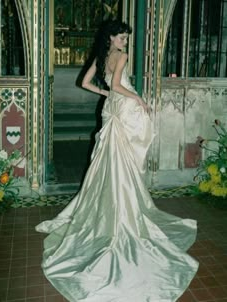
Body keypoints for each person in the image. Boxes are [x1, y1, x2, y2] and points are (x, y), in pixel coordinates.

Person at [36, 20, 198, 302]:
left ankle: (110, 205)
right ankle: (121, 212)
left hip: (111, 110)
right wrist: (136, 97)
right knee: (124, 156)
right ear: (112, 37)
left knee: (110, 159)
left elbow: (85, 82)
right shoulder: (120, 56)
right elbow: (118, 85)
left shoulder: (102, 56)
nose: (125, 41)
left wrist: (106, 93)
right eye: (122, 37)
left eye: (125, 37)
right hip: (122, 109)